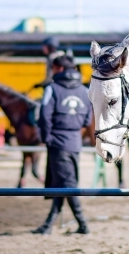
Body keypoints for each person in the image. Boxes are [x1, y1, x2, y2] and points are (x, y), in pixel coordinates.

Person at [34, 55, 93, 235]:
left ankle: (83, 225)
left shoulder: (52, 88)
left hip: (57, 143)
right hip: (75, 142)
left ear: (59, 69)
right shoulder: (84, 90)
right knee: (62, 183)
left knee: (68, 184)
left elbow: (44, 115)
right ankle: (48, 225)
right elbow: (88, 119)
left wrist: (47, 138)